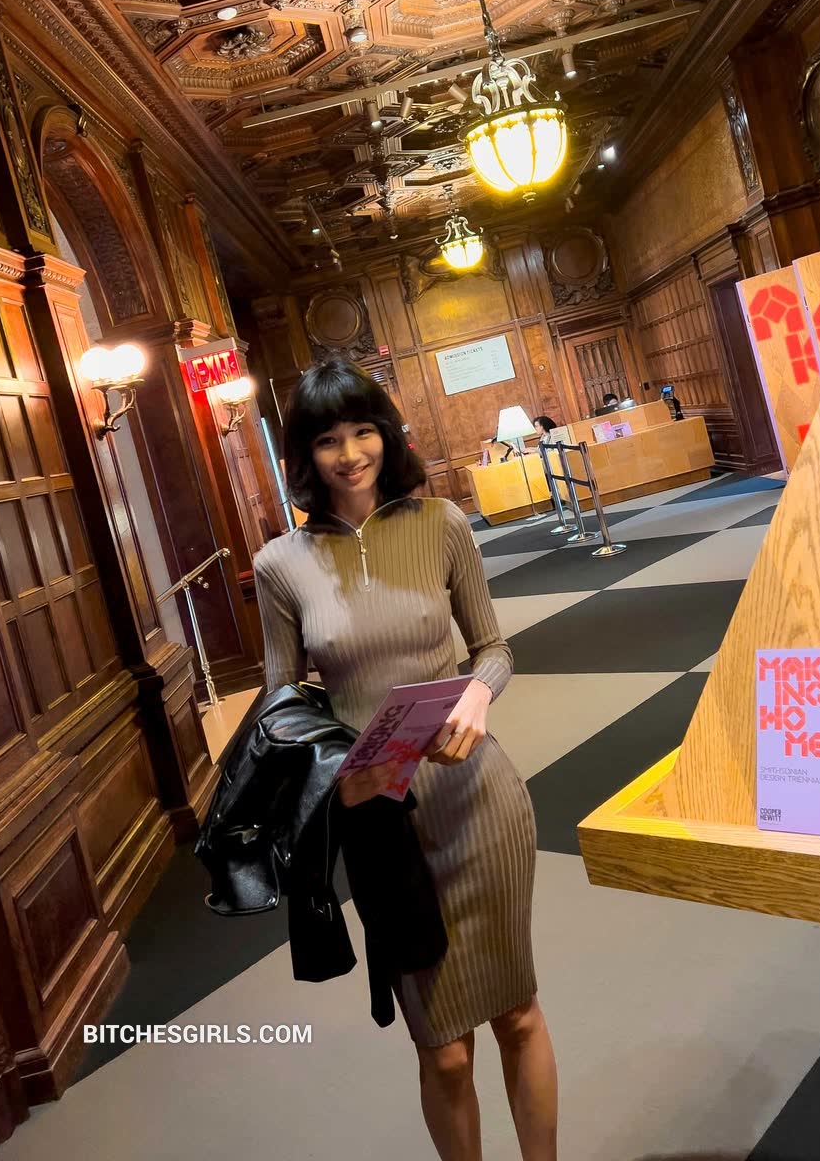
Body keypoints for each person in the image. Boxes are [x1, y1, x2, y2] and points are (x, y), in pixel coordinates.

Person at [254, 359, 558, 1161]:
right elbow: (280, 702)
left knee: (517, 1012)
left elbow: (492, 647)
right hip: (379, 819)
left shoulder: (442, 523)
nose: (350, 453)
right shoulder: (280, 564)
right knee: (443, 1049)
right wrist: (330, 768)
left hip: (477, 796)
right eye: (328, 439)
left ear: (386, 435)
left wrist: (478, 693)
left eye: (363, 431)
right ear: (304, 454)